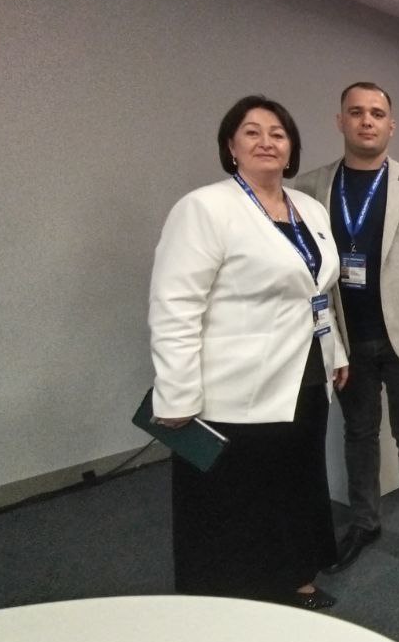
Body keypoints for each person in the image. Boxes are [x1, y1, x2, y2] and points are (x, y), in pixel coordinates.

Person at [149, 95, 348, 610]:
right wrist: (175, 393)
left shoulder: (308, 209)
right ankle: (229, 602)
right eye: (252, 132)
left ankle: (296, 577)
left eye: (278, 134)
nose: (267, 142)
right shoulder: (204, 208)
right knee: (235, 498)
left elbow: (318, 291)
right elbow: (175, 306)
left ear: (292, 149)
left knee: (297, 483)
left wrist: (337, 354)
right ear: (230, 146)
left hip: (305, 375)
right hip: (233, 388)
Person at [293, 82, 399, 585]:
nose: (367, 121)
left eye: (377, 113)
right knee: (359, 434)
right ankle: (364, 523)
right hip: (345, 339)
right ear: (340, 121)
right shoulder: (310, 187)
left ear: (391, 125)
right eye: (356, 112)